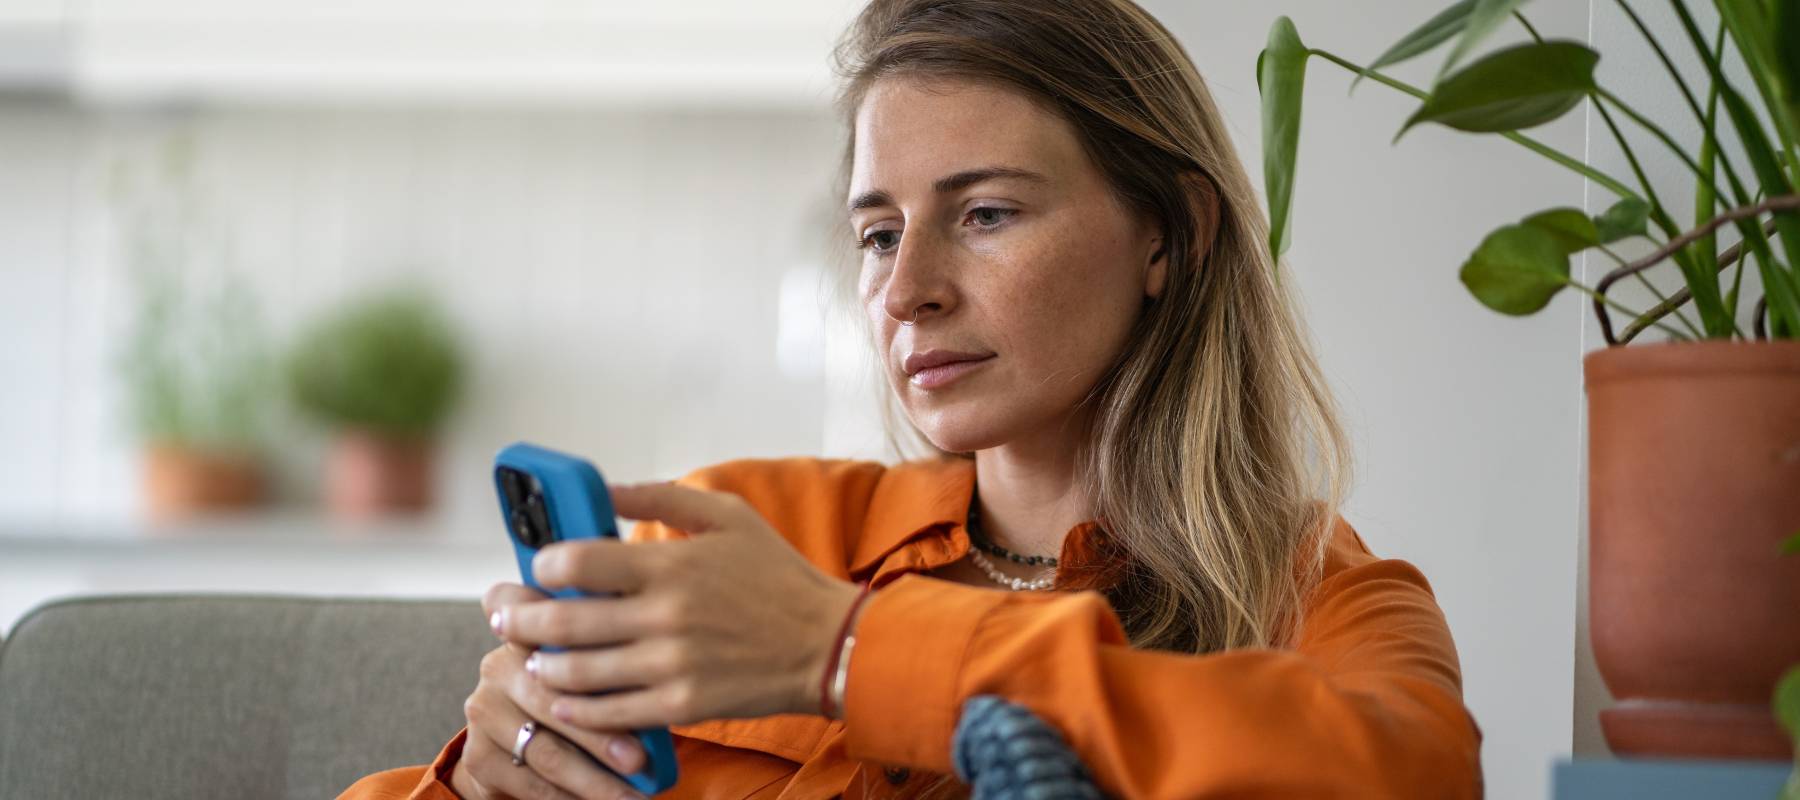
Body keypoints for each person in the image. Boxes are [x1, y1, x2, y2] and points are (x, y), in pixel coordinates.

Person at [340, 0, 1484, 797]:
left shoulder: (1324, 599)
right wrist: (480, 773)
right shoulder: (742, 524)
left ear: (1170, 234)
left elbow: (1419, 777)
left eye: (985, 213)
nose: (907, 290)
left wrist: (845, 653)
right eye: (879, 233)